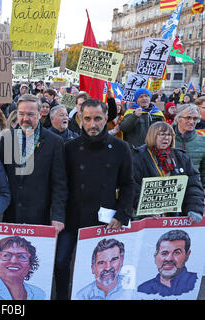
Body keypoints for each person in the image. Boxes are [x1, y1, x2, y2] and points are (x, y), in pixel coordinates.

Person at [56, 98, 134, 300]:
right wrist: (58, 215)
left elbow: (127, 184)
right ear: (80, 118)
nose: (93, 124)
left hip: (105, 220)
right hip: (72, 218)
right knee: (62, 262)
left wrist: (122, 214)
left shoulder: (120, 148)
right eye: (88, 118)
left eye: (98, 118)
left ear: (106, 118)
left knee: (102, 267)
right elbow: (61, 185)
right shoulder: (69, 148)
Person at [0, 94, 68, 229]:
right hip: (11, 215)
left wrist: (58, 216)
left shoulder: (54, 142)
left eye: (30, 114)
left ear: (40, 113)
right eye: (21, 114)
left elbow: (60, 183)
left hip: (40, 216)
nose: (25, 119)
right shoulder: (6, 139)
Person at [132, 122, 204, 221]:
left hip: (177, 216)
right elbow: (132, 187)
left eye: (169, 134)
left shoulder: (181, 157)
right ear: (152, 136)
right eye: (162, 134)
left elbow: (193, 186)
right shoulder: (138, 157)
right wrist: (146, 210)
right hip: (148, 219)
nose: (166, 138)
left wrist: (194, 209)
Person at [0, 236, 45, 300]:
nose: (13, 261)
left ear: (30, 265)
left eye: (21, 256)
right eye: (7, 255)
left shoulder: (39, 294)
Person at [138, 230, 198, 297]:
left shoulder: (197, 282)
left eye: (176, 253)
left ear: (187, 255)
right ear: (155, 256)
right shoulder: (143, 289)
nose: (169, 259)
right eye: (164, 253)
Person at [172, 104, 205, 187]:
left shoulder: (202, 140)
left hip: (194, 189)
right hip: (170, 188)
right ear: (178, 119)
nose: (191, 122)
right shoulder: (165, 137)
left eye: (195, 118)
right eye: (188, 118)